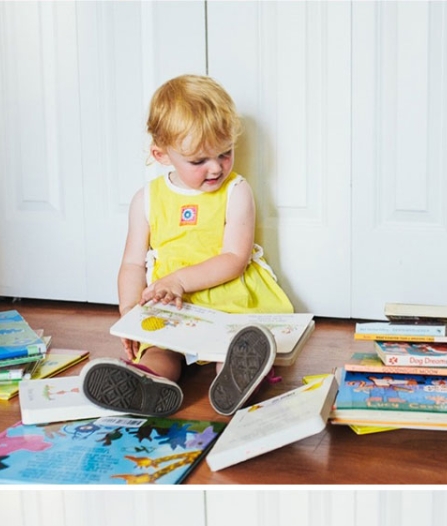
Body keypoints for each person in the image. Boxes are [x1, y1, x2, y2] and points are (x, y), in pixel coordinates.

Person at [82, 74, 293, 418]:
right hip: (172, 304)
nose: (216, 168)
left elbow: (235, 258)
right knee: (160, 351)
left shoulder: (236, 191)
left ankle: (240, 378)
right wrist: (130, 313)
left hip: (228, 298)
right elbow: (133, 264)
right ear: (161, 154)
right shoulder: (147, 199)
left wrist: (179, 280)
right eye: (199, 161)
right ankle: (147, 383)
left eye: (225, 154)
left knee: (238, 343)